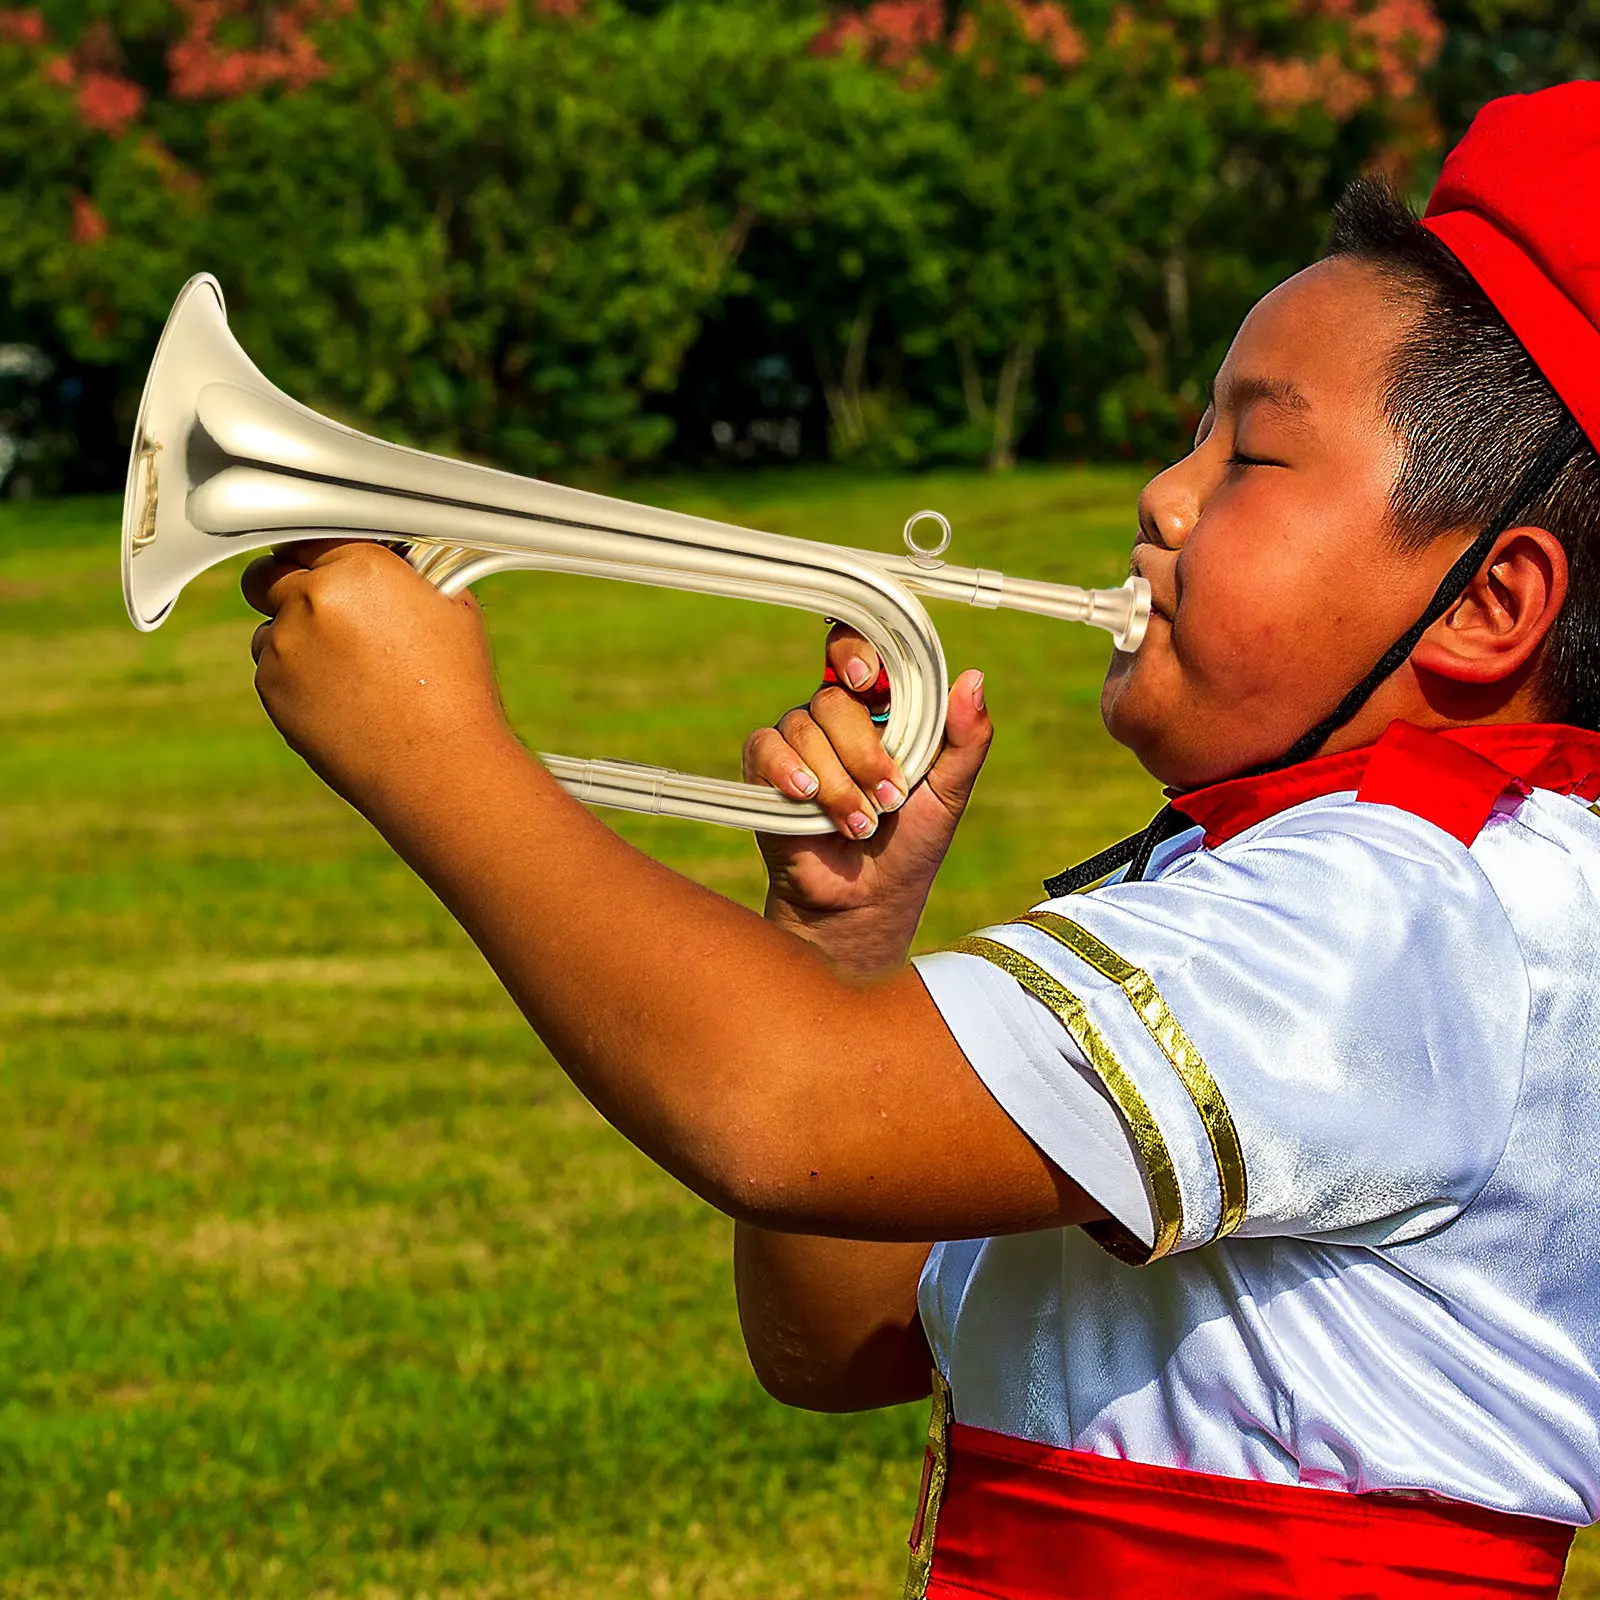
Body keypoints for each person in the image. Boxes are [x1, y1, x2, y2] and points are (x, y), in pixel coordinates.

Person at [239, 84, 1600, 1598]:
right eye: (1190, 436)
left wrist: (440, 761)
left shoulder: (1400, 913)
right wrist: (837, 949)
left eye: (1249, 460)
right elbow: (838, 1339)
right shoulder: (1320, 871)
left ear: (1490, 603)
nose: (1162, 494)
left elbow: (781, 1114)